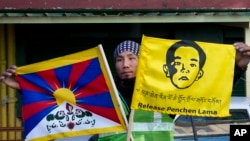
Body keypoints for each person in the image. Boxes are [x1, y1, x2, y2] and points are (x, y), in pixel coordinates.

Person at [1, 41, 250, 141]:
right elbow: (57, 105)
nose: (126, 64)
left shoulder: (164, 90)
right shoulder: (103, 93)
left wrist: (237, 67)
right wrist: (24, 87)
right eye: (120, 59)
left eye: (132, 57)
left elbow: (207, 92)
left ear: (143, 62)